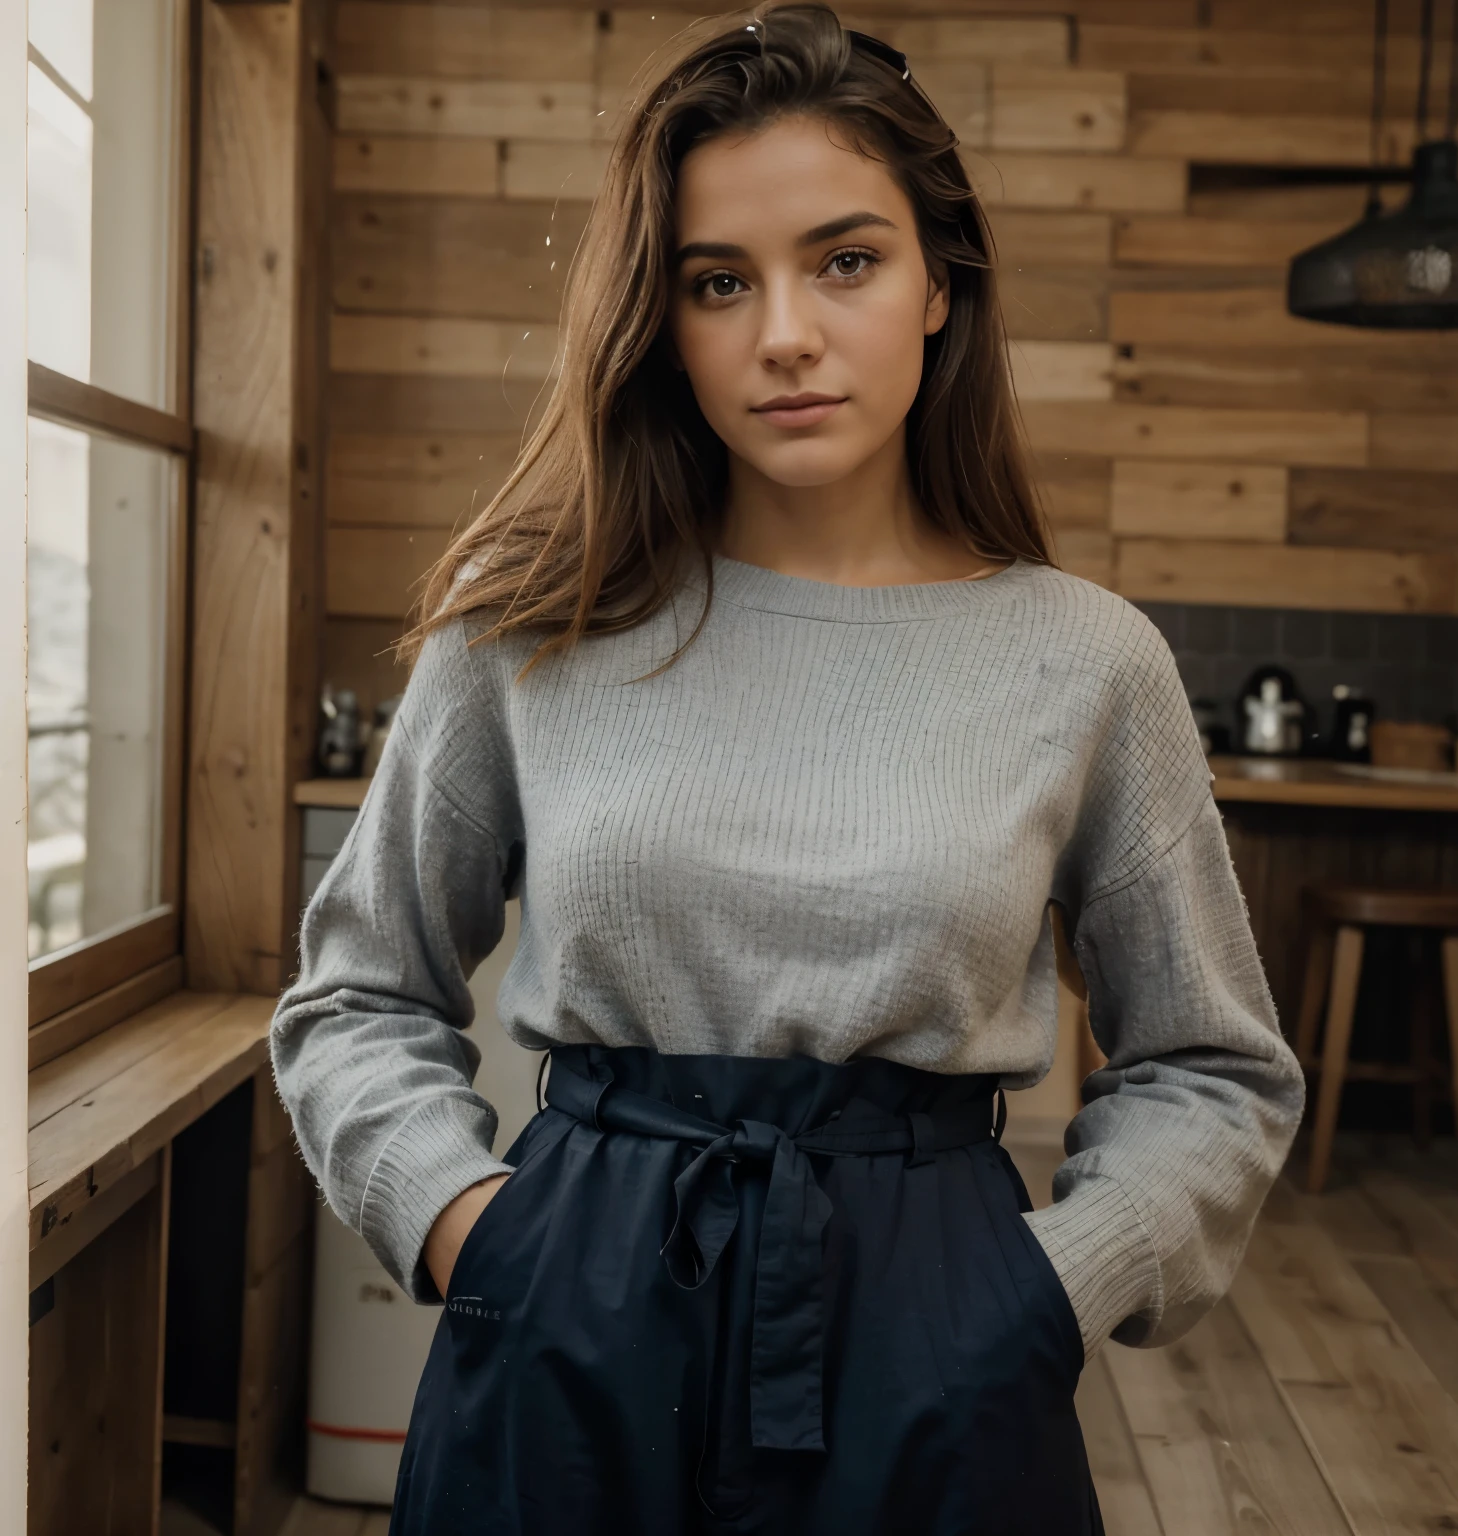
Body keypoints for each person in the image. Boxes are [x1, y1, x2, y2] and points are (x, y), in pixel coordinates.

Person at [269, 7, 1305, 1532]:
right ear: (660, 316)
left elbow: (1214, 1070)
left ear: (941, 286)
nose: (784, 335)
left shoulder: (1089, 662)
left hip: (942, 1331)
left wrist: (1046, 1291)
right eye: (716, 282)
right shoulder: (526, 628)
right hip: (570, 1320)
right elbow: (353, 995)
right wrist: (470, 1232)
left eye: (847, 260)